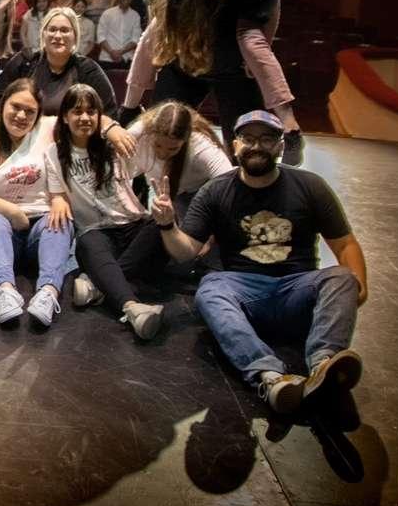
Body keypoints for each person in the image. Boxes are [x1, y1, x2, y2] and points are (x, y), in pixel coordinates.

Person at [153, 110, 366, 413]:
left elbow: (345, 244)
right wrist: (167, 225)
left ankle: (324, 367)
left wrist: (358, 287)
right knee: (210, 288)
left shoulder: (310, 186)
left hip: (297, 291)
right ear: (235, 145)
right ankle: (270, 378)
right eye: (248, 138)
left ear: (280, 146)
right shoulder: (215, 191)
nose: (257, 146)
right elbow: (185, 251)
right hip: (245, 294)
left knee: (342, 277)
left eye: (266, 139)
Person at [125, 0, 301, 159]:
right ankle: (128, 110)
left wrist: (263, 41)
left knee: (241, 148)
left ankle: (291, 131)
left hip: (231, 69)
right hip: (186, 65)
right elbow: (157, 16)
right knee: (160, 130)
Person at [44, 85, 169, 341]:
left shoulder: (114, 145)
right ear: (65, 116)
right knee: (86, 243)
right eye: (77, 111)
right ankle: (133, 308)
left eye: (91, 112)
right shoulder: (54, 154)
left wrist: (112, 127)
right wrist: (56, 198)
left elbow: (146, 127)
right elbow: (56, 193)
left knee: (163, 226)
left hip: (134, 224)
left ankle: (96, 284)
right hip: (97, 232)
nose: (85, 117)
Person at [0, 79, 73, 325]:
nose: (21, 116)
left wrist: (113, 129)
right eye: (16, 107)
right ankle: (5, 291)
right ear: (3, 105)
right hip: (1, 231)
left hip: (40, 227)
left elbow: (85, 117)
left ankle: (48, 293)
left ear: (38, 115)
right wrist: (12, 212)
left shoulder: (46, 129)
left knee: (61, 220)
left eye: (30, 111)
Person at [0, 7, 120, 122]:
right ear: (43, 34)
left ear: (75, 36)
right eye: (52, 29)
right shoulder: (25, 61)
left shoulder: (88, 69)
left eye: (64, 30)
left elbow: (109, 111)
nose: (57, 35)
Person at [127, 101, 232, 218]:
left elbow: (230, 182)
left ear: (184, 141)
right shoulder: (141, 134)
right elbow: (115, 164)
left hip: (198, 192)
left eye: (173, 149)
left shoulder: (200, 147)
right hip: (160, 191)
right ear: (151, 132)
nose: (163, 154)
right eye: (158, 145)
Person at [95, 0, 142, 64]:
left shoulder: (135, 15)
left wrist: (121, 52)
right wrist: (111, 52)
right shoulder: (107, 13)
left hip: (127, 58)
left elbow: (135, 39)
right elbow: (100, 37)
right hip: (106, 58)